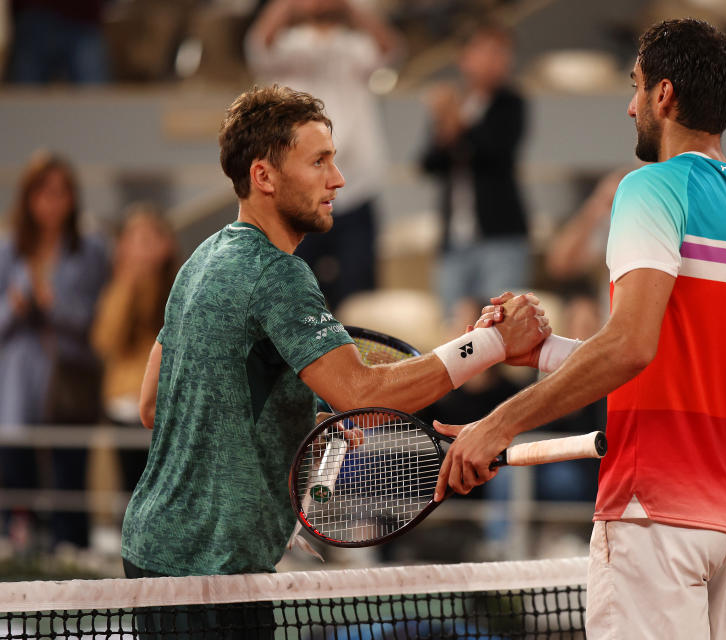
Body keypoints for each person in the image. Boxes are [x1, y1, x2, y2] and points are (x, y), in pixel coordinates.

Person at [432, 19, 726, 639]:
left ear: (664, 95)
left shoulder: (650, 187)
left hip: (655, 514)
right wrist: (545, 354)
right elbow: (671, 356)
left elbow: (629, 345)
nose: (630, 107)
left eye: (636, 87)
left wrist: (495, 425)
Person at [120, 85, 548, 588]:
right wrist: (491, 346)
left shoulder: (201, 259)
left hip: (149, 549)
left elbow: (155, 405)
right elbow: (361, 393)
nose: (338, 180)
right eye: (319, 162)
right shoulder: (278, 274)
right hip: (212, 570)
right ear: (264, 177)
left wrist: (293, 421)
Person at [246, 0, 401, 312]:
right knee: (290, 295)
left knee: (360, 299)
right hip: (298, 192)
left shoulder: (356, 44)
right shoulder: (289, 45)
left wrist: (348, 7)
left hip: (355, 185)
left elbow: (392, 52)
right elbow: (257, 49)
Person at [0, 152, 109, 551]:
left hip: (70, 379)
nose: (52, 201)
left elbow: (98, 321)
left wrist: (53, 304)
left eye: (61, 192)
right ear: (28, 198)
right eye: (43, 192)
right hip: (16, 384)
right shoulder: (9, 249)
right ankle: (20, 547)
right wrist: (14, 307)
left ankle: (70, 550)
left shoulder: (91, 247)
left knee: (69, 475)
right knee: (16, 474)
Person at [420, 20, 530, 316]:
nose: (497, 60)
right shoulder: (456, 105)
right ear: (464, 58)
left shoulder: (511, 103)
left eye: (503, 52)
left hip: (501, 235)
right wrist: (448, 126)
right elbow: (430, 163)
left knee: (502, 323)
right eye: (487, 51)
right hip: (454, 239)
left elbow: (493, 151)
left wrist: (454, 121)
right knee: (453, 329)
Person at [91, 205, 178, 489]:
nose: (141, 249)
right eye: (134, 240)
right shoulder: (116, 288)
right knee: (130, 491)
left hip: (167, 405)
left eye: (149, 239)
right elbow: (105, 340)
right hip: (123, 405)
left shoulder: (179, 286)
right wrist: (128, 281)